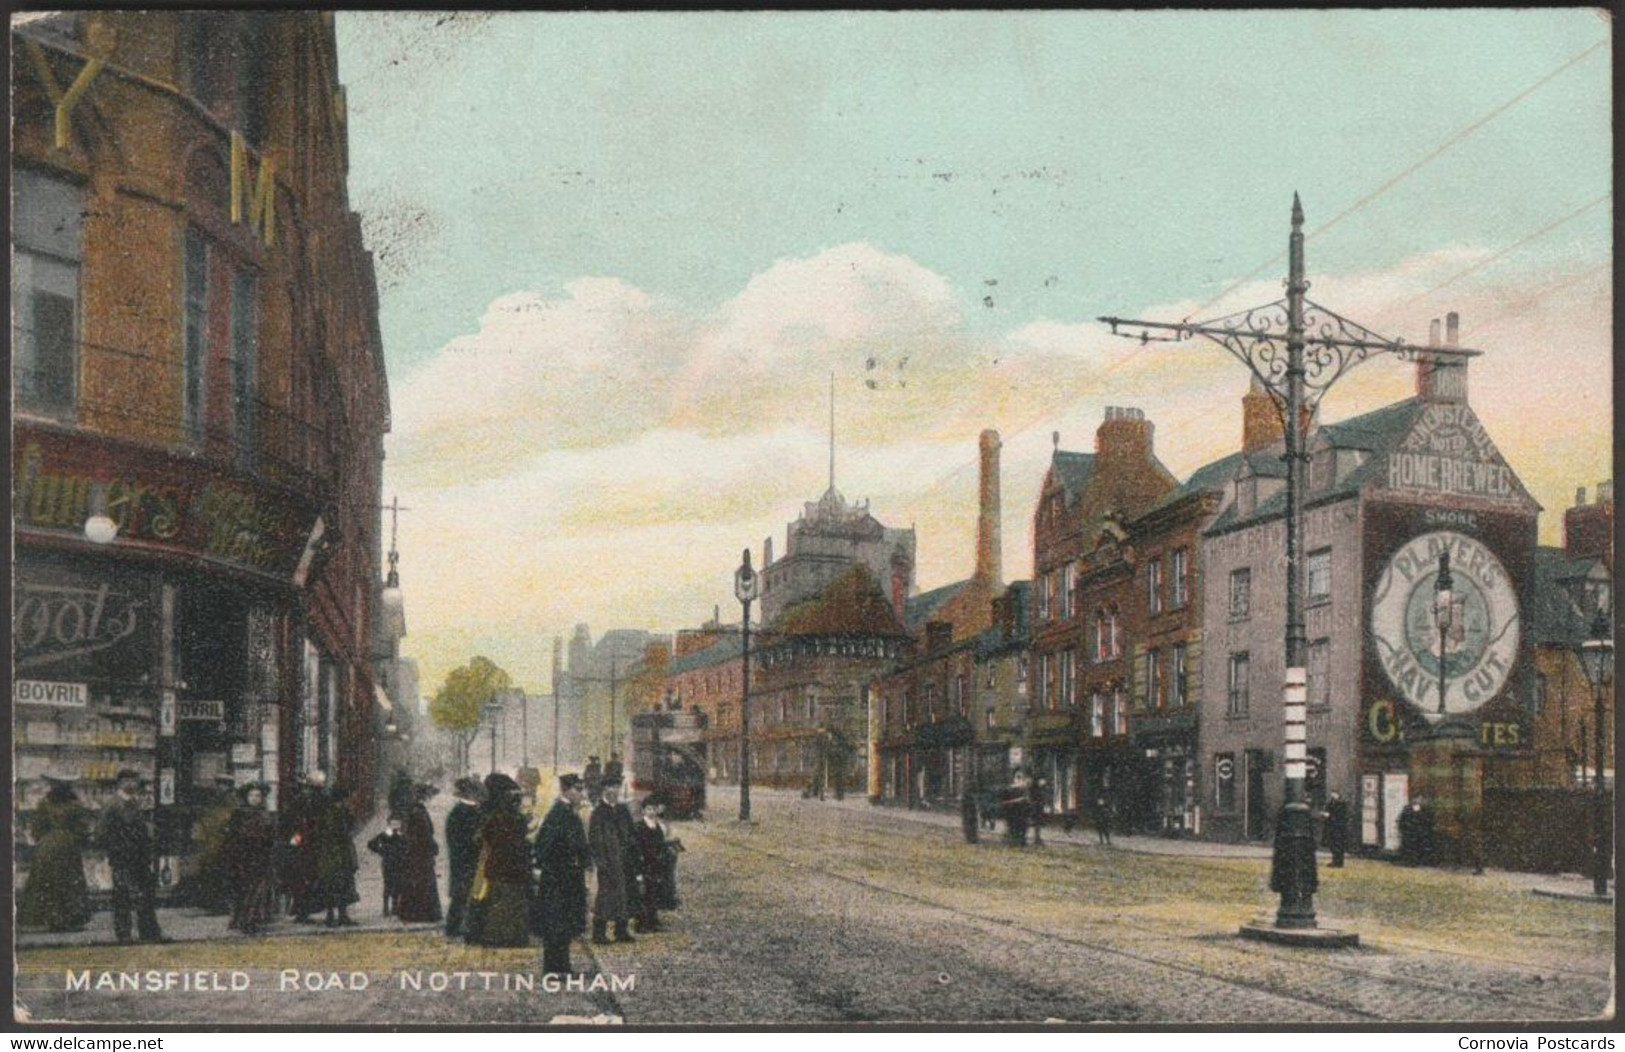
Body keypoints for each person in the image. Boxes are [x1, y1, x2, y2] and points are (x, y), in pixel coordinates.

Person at [97, 769, 167, 944]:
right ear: (120, 783)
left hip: (139, 857)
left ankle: (149, 932)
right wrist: (116, 849)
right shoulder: (112, 804)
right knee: (123, 896)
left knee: (145, 895)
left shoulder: (134, 803)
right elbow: (102, 832)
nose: (133, 784)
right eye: (129, 781)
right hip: (122, 857)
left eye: (135, 781)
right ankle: (124, 934)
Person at [533, 773, 590, 976]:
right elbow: (543, 847)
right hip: (558, 878)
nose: (580, 794)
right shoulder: (558, 814)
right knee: (556, 924)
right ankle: (554, 969)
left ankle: (562, 967)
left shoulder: (568, 812)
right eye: (577, 789)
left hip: (567, 877)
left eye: (581, 789)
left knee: (563, 924)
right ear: (566, 790)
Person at [19, 777, 91, 932]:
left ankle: (52, 919)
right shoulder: (75, 805)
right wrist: (75, 839)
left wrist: (46, 839)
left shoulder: (45, 804)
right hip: (68, 847)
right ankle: (69, 918)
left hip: (47, 847)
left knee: (47, 883)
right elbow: (83, 829)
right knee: (70, 883)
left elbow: (36, 828)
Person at [466, 773, 531, 947]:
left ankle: (478, 932)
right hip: (503, 863)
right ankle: (503, 935)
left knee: (484, 895)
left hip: (491, 862)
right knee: (499, 899)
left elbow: (481, 836)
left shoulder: (490, 811)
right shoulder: (504, 815)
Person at [226, 783, 280, 935]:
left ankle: (250, 920)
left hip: (261, 857)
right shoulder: (239, 814)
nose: (255, 799)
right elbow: (231, 836)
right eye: (252, 796)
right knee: (241, 889)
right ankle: (239, 919)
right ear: (246, 797)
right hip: (242, 857)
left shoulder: (266, 815)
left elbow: (272, 836)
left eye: (258, 796)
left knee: (257, 890)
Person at [588, 777, 636, 944]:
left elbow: (631, 833)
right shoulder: (598, 812)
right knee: (605, 896)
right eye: (610, 787)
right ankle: (599, 933)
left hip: (623, 860)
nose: (614, 791)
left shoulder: (623, 810)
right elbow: (594, 839)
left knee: (623, 895)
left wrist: (631, 854)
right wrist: (600, 862)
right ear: (604, 790)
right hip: (607, 861)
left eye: (616, 787)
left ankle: (621, 930)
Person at [395, 784, 443, 923]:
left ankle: (411, 913)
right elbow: (424, 833)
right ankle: (421, 914)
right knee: (422, 882)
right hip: (420, 853)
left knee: (414, 882)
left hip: (416, 852)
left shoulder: (413, 810)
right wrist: (431, 845)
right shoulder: (417, 811)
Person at [281, 772, 326, 922]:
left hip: (304, 842)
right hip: (308, 842)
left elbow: (288, 822)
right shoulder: (312, 799)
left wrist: (294, 838)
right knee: (307, 877)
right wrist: (298, 837)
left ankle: (301, 910)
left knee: (302, 878)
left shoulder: (300, 799)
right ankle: (302, 911)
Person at [443, 777, 484, 938]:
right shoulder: (462, 812)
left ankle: (457, 926)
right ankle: (454, 927)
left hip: (464, 858)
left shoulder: (462, 811)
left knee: (463, 894)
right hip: (465, 859)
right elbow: (461, 838)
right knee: (462, 894)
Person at [315, 784, 360, 927]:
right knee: (336, 883)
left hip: (334, 852)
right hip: (335, 852)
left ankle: (338, 915)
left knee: (336, 883)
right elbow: (339, 831)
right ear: (342, 798)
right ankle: (334, 916)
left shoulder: (332, 810)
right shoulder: (334, 812)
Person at [630, 796, 674, 933]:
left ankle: (653, 920)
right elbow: (635, 848)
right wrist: (638, 867)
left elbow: (660, 844)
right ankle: (641, 923)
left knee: (655, 892)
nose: (652, 812)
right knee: (643, 894)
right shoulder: (639, 826)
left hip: (656, 864)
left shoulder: (657, 826)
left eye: (654, 809)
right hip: (644, 864)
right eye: (649, 809)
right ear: (643, 811)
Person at [367, 817, 408, 916]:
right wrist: (381, 851)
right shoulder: (386, 835)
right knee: (390, 884)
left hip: (396, 862)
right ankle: (387, 908)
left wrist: (381, 851)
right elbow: (371, 844)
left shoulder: (397, 836)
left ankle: (393, 907)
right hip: (390, 863)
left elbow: (407, 846)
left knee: (395, 885)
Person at [1000, 773, 1031, 847]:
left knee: (1022, 827)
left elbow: (1027, 800)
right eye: (1017, 778)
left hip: (1021, 812)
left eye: (1020, 779)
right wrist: (1015, 801)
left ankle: (1020, 841)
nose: (1019, 781)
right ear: (1014, 779)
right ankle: (1013, 841)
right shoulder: (1009, 789)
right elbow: (1004, 802)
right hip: (1012, 812)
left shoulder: (1023, 790)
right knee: (1014, 827)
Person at [1322, 791, 1350, 868]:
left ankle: (1338, 862)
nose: (1332, 795)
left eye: (1334, 793)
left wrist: (1329, 815)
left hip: (1338, 827)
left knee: (1338, 845)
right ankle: (1335, 861)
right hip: (1333, 827)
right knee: (1334, 845)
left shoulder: (1340, 803)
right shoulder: (1332, 802)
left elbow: (1341, 815)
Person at [1028, 773, 1049, 846]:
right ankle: (1037, 838)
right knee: (1037, 822)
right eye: (1041, 781)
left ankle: (1037, 838)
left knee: (1038, 823)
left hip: (1039, 807)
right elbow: (1033, 797)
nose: (1043, 782)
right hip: (1036, 807)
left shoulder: (1040, 788)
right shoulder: (1035, 789)